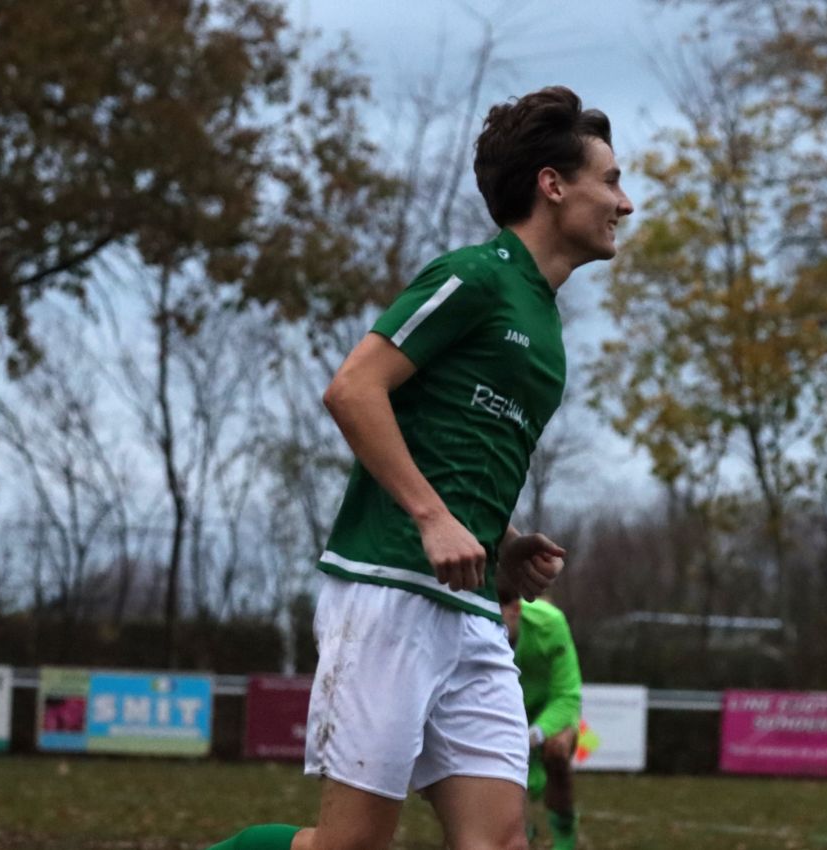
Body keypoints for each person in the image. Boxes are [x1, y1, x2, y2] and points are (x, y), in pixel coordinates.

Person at [204, 85, 634, 850]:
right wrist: (432, 519)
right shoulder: (475, 277)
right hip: (388, 590)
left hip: (471, 611)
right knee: (350, 846)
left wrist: (501, 550)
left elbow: (458, 453)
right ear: (552, 184)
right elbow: (352, 389)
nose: (624, 204)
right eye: (611, 180)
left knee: (499, 842)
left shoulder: (543, 320)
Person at [501, 596, 583, 850]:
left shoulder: (551, 623)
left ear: (515, 609)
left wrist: (532, 735)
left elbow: (567, 696)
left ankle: (564, 833)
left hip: (549, 712)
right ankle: (515, 827)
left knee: (557, 749)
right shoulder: (468, 621)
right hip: (503, 713)